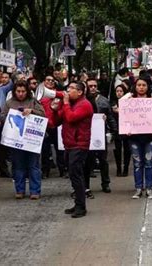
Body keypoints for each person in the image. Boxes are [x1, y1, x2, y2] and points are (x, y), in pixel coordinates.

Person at [0, 81, 45, 200]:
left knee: (33, 165)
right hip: (16, 140)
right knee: (18, 165)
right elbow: (3, 116)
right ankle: (19, 190)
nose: (20, 94)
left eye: (23, 91)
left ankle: (35, 191)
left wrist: (32, 111)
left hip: (31, 140)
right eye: (18, 91)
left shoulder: (33, 101)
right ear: (14, 92)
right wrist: (8, 117)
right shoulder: (9, 103)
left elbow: (43, 114)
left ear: (27, 91)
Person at [54, 81, 94, 218]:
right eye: (68, 88)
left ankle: (81, 207)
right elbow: (57, 121)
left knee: (76, 175)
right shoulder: (71, 103)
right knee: (73, 175)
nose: (68, 91)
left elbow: (71, 118)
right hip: (70, 144)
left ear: (80, 92)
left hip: (79, 144)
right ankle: (77, 203)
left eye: (71, 88)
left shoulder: (85, 105)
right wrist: (55, 109)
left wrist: (65, 103)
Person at [122, 77, 152, 199]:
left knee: (148, 163)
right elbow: (122, 108)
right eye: (139, 85)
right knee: (137, 163)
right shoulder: (130, 100)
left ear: (148, 87)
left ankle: (149, 188)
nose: (141, 87)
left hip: (149, 137)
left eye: (144, 85)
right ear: (135, 87)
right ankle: (138, 188)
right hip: (134, 137)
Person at [84, 78, 117, 194]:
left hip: (100, 133)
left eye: (94, 86)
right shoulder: (83, 100)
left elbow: (110, 116)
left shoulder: (103, 100)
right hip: (86, 134)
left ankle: (105, 183)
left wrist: (114, 130)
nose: (92, 88)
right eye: (90, 86)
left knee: (103, 160)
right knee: (87, 161)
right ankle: (85, 186)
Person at [40, 75, 66, 179]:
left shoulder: (58, 95)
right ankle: (45, 171)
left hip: (57, 125)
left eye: (52, 80)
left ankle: (62, 170)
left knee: (60, 150)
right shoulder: (40, 95)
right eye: (48, 80)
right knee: (45, 150)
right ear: (44, 82)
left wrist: (57, 112)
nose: (50, 82)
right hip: (45, 126)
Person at [111, 84, 131, 177]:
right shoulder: (112, 102)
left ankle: (126, 168)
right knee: (118, 149)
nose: (119, 93)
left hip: (126, 128)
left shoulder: (128, 102)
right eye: (117, 91)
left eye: (121, 91)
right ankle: (119, 168)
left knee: (127, 149)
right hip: (117, 129)